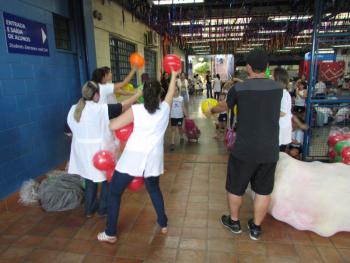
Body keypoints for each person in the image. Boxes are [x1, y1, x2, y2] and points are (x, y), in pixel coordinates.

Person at [97, 69, 180, 244]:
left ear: (143, 94)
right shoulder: (164, 110)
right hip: (153, 160)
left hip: (132, 159)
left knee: (114, 193)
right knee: (154, 190)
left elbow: (113, 126)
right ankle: (163, 223)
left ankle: (110, 232)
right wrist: (174, 74)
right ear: (159, 95)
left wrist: (111, 121)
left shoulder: (136, 110)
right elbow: (171, 93)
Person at [211, 49, 282, 240]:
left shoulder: (238, 89)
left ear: (248, 67)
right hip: (269, 149)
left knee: (235, 187)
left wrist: (212, 108)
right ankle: (256, 227)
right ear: (267, 67)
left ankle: (234, 222)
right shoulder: (278, 88)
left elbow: (225, 106)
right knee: (263, 190)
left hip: (244, 148)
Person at [67, 81, 141, 218]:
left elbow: (70, 128)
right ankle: (103, 208)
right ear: (95, 95)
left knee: (90, 179)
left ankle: (89, 210)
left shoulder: (73, 109)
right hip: (100, 153)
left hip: (82, 153)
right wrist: (138, 94)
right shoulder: (100, 109)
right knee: (107, 179)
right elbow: (123, 106)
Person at [273, 68, 292, 152]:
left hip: (282, 127)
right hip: (280, 126)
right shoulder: (280, 92)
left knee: (279, 152)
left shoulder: (283, 94)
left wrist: (268, 113)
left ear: (278, 78)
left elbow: (283, 113)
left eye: (272, 76)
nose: (270, 78)